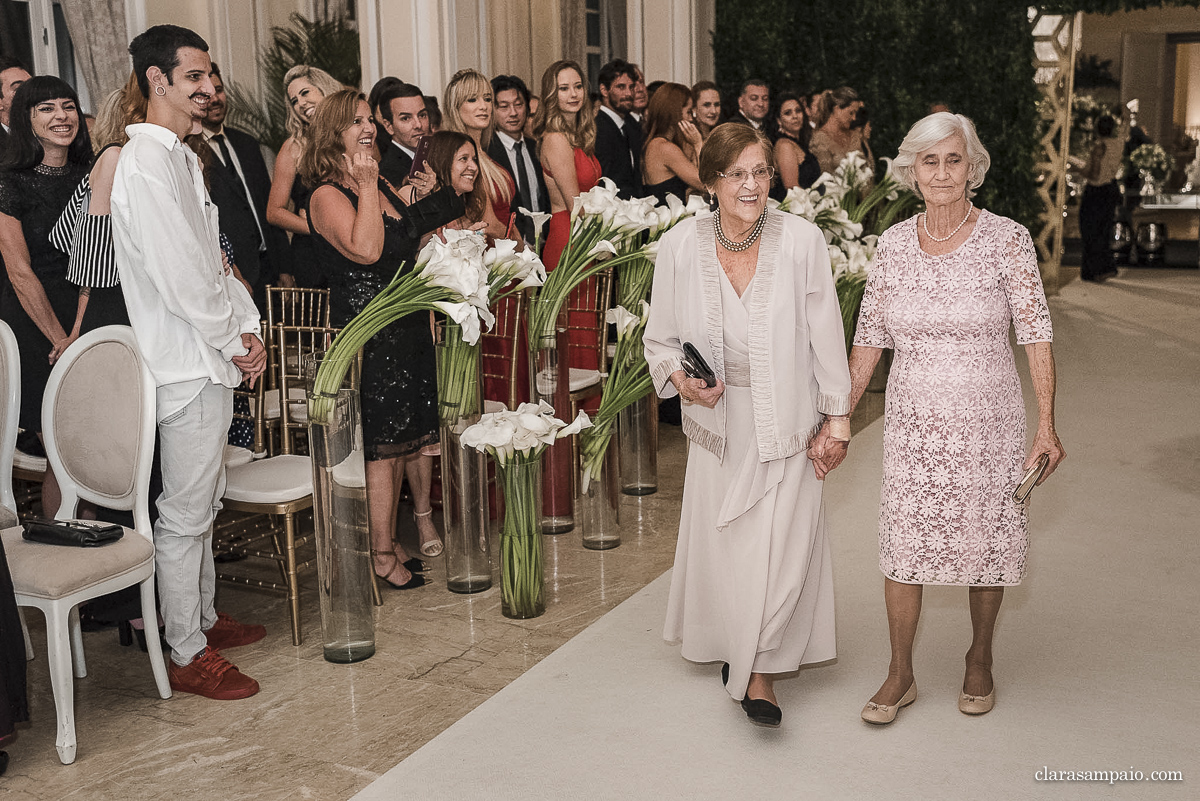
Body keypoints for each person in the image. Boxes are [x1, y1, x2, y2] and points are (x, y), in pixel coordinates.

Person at [837, 112, 1064, 724]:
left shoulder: (1007, 239)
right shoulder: (892, 246)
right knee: (904, 544)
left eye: (953, 160)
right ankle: (900, 671)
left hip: (990, 421)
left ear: (974, 168)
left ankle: (980, 657)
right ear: (912, 170)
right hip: (912, 424)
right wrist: (840, 417)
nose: (941, 173)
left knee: (985, 541)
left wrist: (1045, 423)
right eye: (929, 161)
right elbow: (869, 340)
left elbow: (1036, 333)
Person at [644, 123, 852, 728]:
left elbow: (825, 334)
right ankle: (735, 643)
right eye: (736, 173)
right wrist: (682, 381)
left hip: (787, 419)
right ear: (710, 183)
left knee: (782, 548)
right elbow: (660, 341)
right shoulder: (681, 246)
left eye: (760, 171)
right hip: (717, 425)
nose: (752, 184)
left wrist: (836, 420)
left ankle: (758, 668)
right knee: (734, 548)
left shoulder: (803, 241)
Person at [111, 24, 269, 699]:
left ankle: (202, 615)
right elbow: (179, 275)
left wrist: (248, 325)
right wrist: (232, 338)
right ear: (157, 81)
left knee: (201, 502)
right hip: (182, 360)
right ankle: (183, 648)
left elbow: (215, 257)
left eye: (209, 75)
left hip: (210, 352)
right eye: (194, 76)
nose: (209, 87)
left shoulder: (180, 155)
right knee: (182, 511)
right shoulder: (142, 162)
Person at [302, 91, 466, 587]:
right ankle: (379, 555)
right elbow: (369, 250)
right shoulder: (327, 194)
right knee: (382, 448)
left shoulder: (376, 182)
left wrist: (438, 194)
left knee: (404, 443)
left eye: (368, 120)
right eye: (356, 123)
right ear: (334, 134)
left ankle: (390, 542)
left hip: (407, 326)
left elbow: (414, 229)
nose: (368, 128)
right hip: (369, 334)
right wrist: (371, 183)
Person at [0, 76, 92, 519]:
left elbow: (102, 256)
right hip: (35, 325)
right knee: (64, 444)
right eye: (47, 109)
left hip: (88, 311)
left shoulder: (93, 174)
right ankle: (71, 548)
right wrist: (62, 339)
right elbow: (19, 271)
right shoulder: (8, 181)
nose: (61, 116)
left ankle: (100, 550)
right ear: (27, 120)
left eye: (68, 106)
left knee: (95, 443)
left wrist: (81, 329)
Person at [203, 62, 293, 310]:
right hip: (231, 273)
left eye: (218, 90)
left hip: (268, 267)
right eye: (206, 94)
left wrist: (284, 266)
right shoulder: (190, 151)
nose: (214, 99)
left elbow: (269, 203)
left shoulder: (246, 143)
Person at [266, 64, 344, 288]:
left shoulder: (354, 133)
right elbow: (274, 212)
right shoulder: (293, 148)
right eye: (294, 101)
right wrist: (316, 229)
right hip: (313, 255)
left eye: (305, 93)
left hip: (353, 247)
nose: (300, 104)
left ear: (324, 88)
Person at [534, 59, 601, 270]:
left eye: (578, 86)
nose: (574, 94)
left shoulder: (577, 136)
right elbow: (576, 204)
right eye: (564, 89)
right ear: (551, 95)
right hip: (570, 237)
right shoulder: (556, 139)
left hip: (585, 234)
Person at [442, 69, 514, 240]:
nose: (483, 106)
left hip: (503, 250)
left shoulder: (485, 153)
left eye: (488, 99)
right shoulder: (459, 158)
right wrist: (522, 248)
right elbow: (488, 223)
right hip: (490, 253)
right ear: (455, 107)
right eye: (472, 99)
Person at [489, 74, 550, 247]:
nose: (513, 113)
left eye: (518, 104)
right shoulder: (487, 152)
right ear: (492, 110)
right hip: (508, 246)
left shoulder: (536, 147)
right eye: (504, 106)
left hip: (543, 243)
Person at [640, 82, 704, 206]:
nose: (691, 118)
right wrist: (698, 144)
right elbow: (705, 185)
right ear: (675, 113)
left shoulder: (657, 144)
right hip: (669, 223)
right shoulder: (664, 148)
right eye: (689, 112)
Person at [1078, 114, 1123, 283]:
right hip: (1110, 189)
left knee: (1090, 230)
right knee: (1103, 229)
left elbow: (1094, 174)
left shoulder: (1099, 146)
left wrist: (1079, 170)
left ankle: (1098, 270)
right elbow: (1125, 123)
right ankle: (1102, 268)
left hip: (1095, 191)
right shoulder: (1118, 143)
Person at [593, 59, 643, 199]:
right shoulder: (598, 129)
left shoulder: (631, 124)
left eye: (631, 87)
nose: (628, 93)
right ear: (604, 90)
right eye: (621, 87)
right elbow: (605, 179)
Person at [377, 82, 430, 187]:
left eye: (422, 115)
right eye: (406, 118)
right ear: (389, 126)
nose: (418, 125)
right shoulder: (388, 174)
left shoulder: (434, 156)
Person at [772, 91, 820, 193]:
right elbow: (792, 190)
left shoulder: (799, 142)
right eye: (788, 113)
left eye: (798, 111)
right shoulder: (784, 146)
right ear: (779, 121)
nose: (795, 116)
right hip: (795, 206)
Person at [809, 86, 863, 174]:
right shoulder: (819, 140)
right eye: (851, 113)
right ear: (837, 109)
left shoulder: (854, 136)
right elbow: (826, 178)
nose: (854, 118)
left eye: (855, 113)